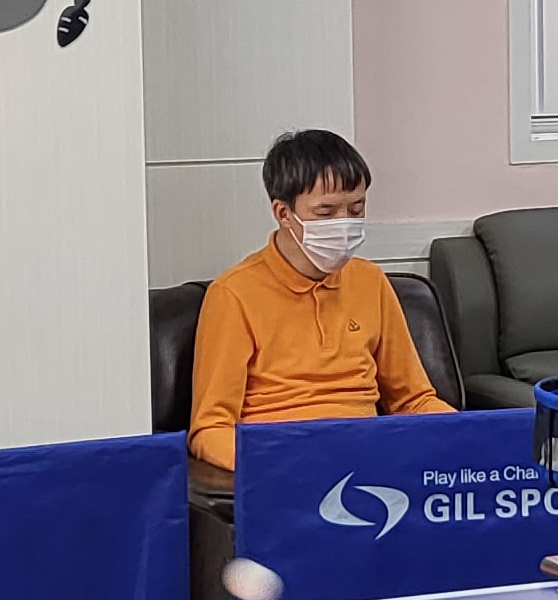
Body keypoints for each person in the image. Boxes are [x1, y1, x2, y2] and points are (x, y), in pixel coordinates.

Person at [188, 127, 450, 480]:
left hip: (368, 458)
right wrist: (276, 465)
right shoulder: (234, 294)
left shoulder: (370, 281)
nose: (344, 224)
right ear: (283, 213)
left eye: (356, 209)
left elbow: (413, 401)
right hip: (285, 465)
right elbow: (210, 428)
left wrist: (472, 438)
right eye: (325, 212)